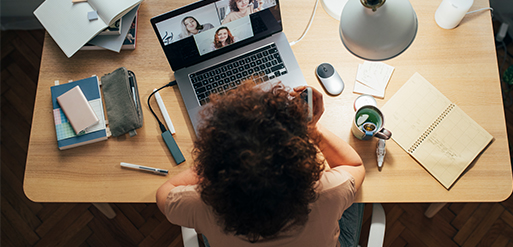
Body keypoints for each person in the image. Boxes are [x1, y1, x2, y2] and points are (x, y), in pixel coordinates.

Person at [156, 82, 366, 247]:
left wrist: (213, 163)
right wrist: (312, 129)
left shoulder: (201, 205)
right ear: (301, 163)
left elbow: (164, 193)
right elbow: (355, 166)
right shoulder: (328, 192)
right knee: (358, 196)